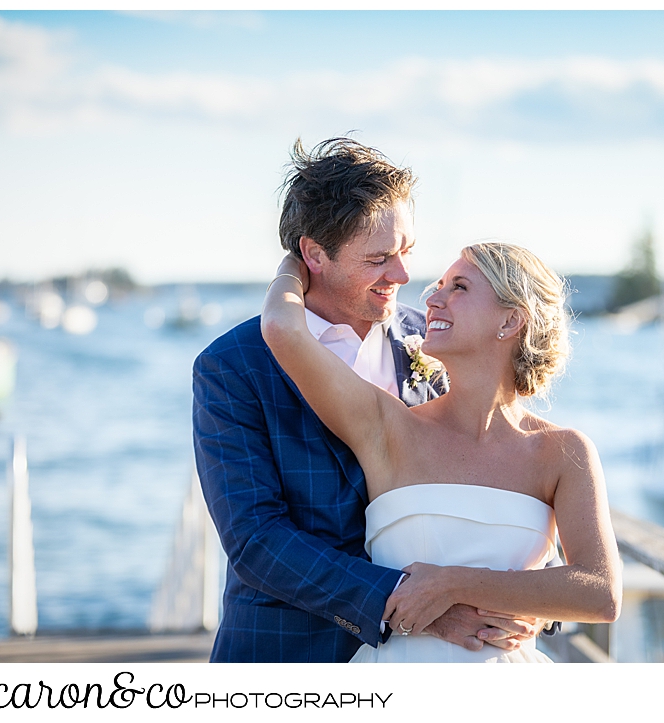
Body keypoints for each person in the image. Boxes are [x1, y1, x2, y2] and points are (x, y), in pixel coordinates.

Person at [193, 138, 551, 662]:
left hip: (441, 666)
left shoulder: (440, 341)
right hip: (291, 658)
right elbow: (256, 540)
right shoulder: (232, 367)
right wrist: (414, 604)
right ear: (314, 255)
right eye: (379, 258)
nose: (404, 276)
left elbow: (512, 458)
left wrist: (534, 594)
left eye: (406, 251)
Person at [261, 241, 622, 662]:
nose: (432, 300)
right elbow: (283, 329)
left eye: (460, 288)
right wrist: (298, 252)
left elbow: (600, 592)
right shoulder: (388, 428)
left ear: (510, 319)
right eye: (438, 286)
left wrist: (451, 585)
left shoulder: (564, 452)